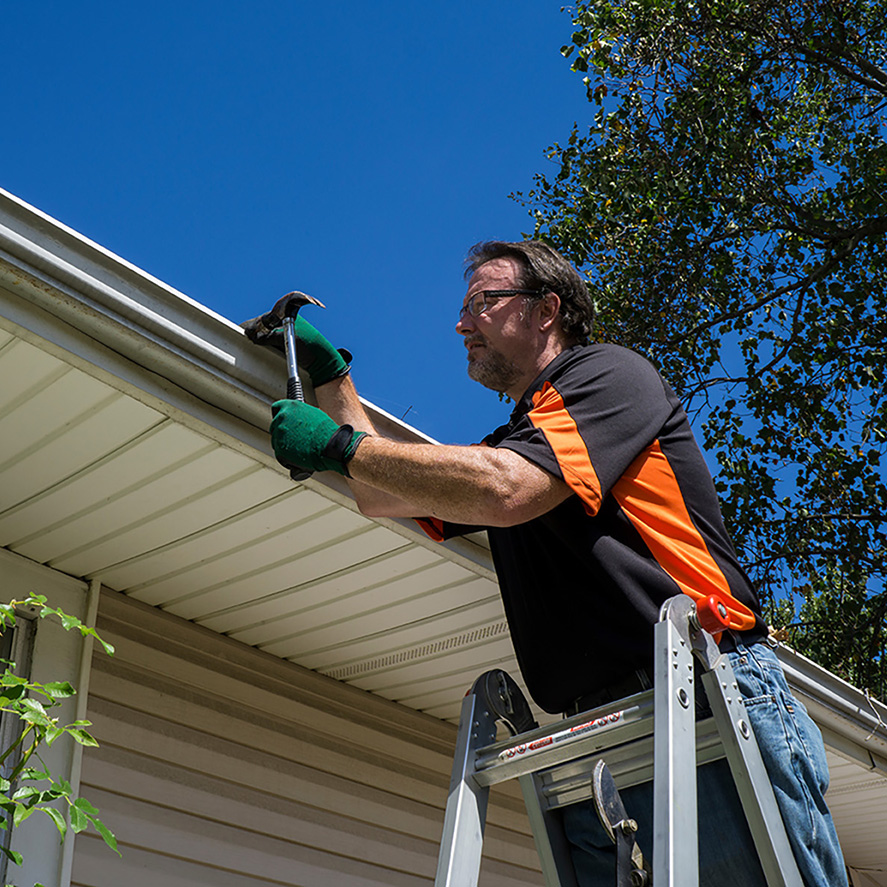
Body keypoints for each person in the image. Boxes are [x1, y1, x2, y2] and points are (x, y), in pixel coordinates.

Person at [255, 241, 847, 887]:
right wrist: (332, 377)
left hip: (705, 691)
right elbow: (381, 492)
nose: (461, 324)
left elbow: (505, 489)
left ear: (547, 309)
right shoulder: (522, 439)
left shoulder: (609, 375)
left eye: (483, 302)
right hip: (606, 726)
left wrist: (339, 444)